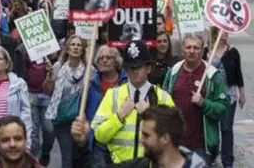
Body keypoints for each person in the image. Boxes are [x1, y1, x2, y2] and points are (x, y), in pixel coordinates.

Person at [92, 41, 174, 164]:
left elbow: (172, 138)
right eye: (130, 67)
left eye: (138, 67)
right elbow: (99, 135)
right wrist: (119, 116)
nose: (134, 71)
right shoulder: (112, 95)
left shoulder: (162, 97)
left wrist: (148, 116)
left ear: (148, 68)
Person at [162, 34, 229, 163]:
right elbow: (163, 101)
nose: (192, 51)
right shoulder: (173, 73)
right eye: (188, 47)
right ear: (182, 49)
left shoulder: (212, 75)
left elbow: (223, 109)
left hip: (201, 146)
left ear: (203, 50)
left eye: (196, 48)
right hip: (175, 144)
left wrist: (204, 104)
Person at [72, 105, 208, 168]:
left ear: (165, 138)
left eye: (146, 135)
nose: (141, 140)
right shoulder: (142, 164)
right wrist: (81, 144)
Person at [44, 35, 91, 168]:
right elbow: (48, 91)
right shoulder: (58, 67)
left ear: (83, 50)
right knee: (67, 155)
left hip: (80, 118)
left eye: (79, 45)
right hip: (62, 118)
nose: (75, 47)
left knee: (80, 155)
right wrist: (50, 77)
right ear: (67, 49)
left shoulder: (90, 70)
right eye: (72, 44)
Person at [206, 27, 245, 168]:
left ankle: (227, 160)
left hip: (230, 95)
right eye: (224, 32)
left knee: (226, 128)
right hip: (211, 95)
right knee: (212, 126)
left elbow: (238, 73)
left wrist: (242, 93)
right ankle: (211, 154)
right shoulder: (207, 51)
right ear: (216, 34)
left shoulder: (233, 52)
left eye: (228, 32)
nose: (227, 34)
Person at [85, 45, 127, 167]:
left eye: (108, 57)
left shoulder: (127, 82)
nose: (104, 60)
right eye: (101, 58)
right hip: (98, 141)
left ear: (116, 61)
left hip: (120, 139)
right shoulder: (91, 84)